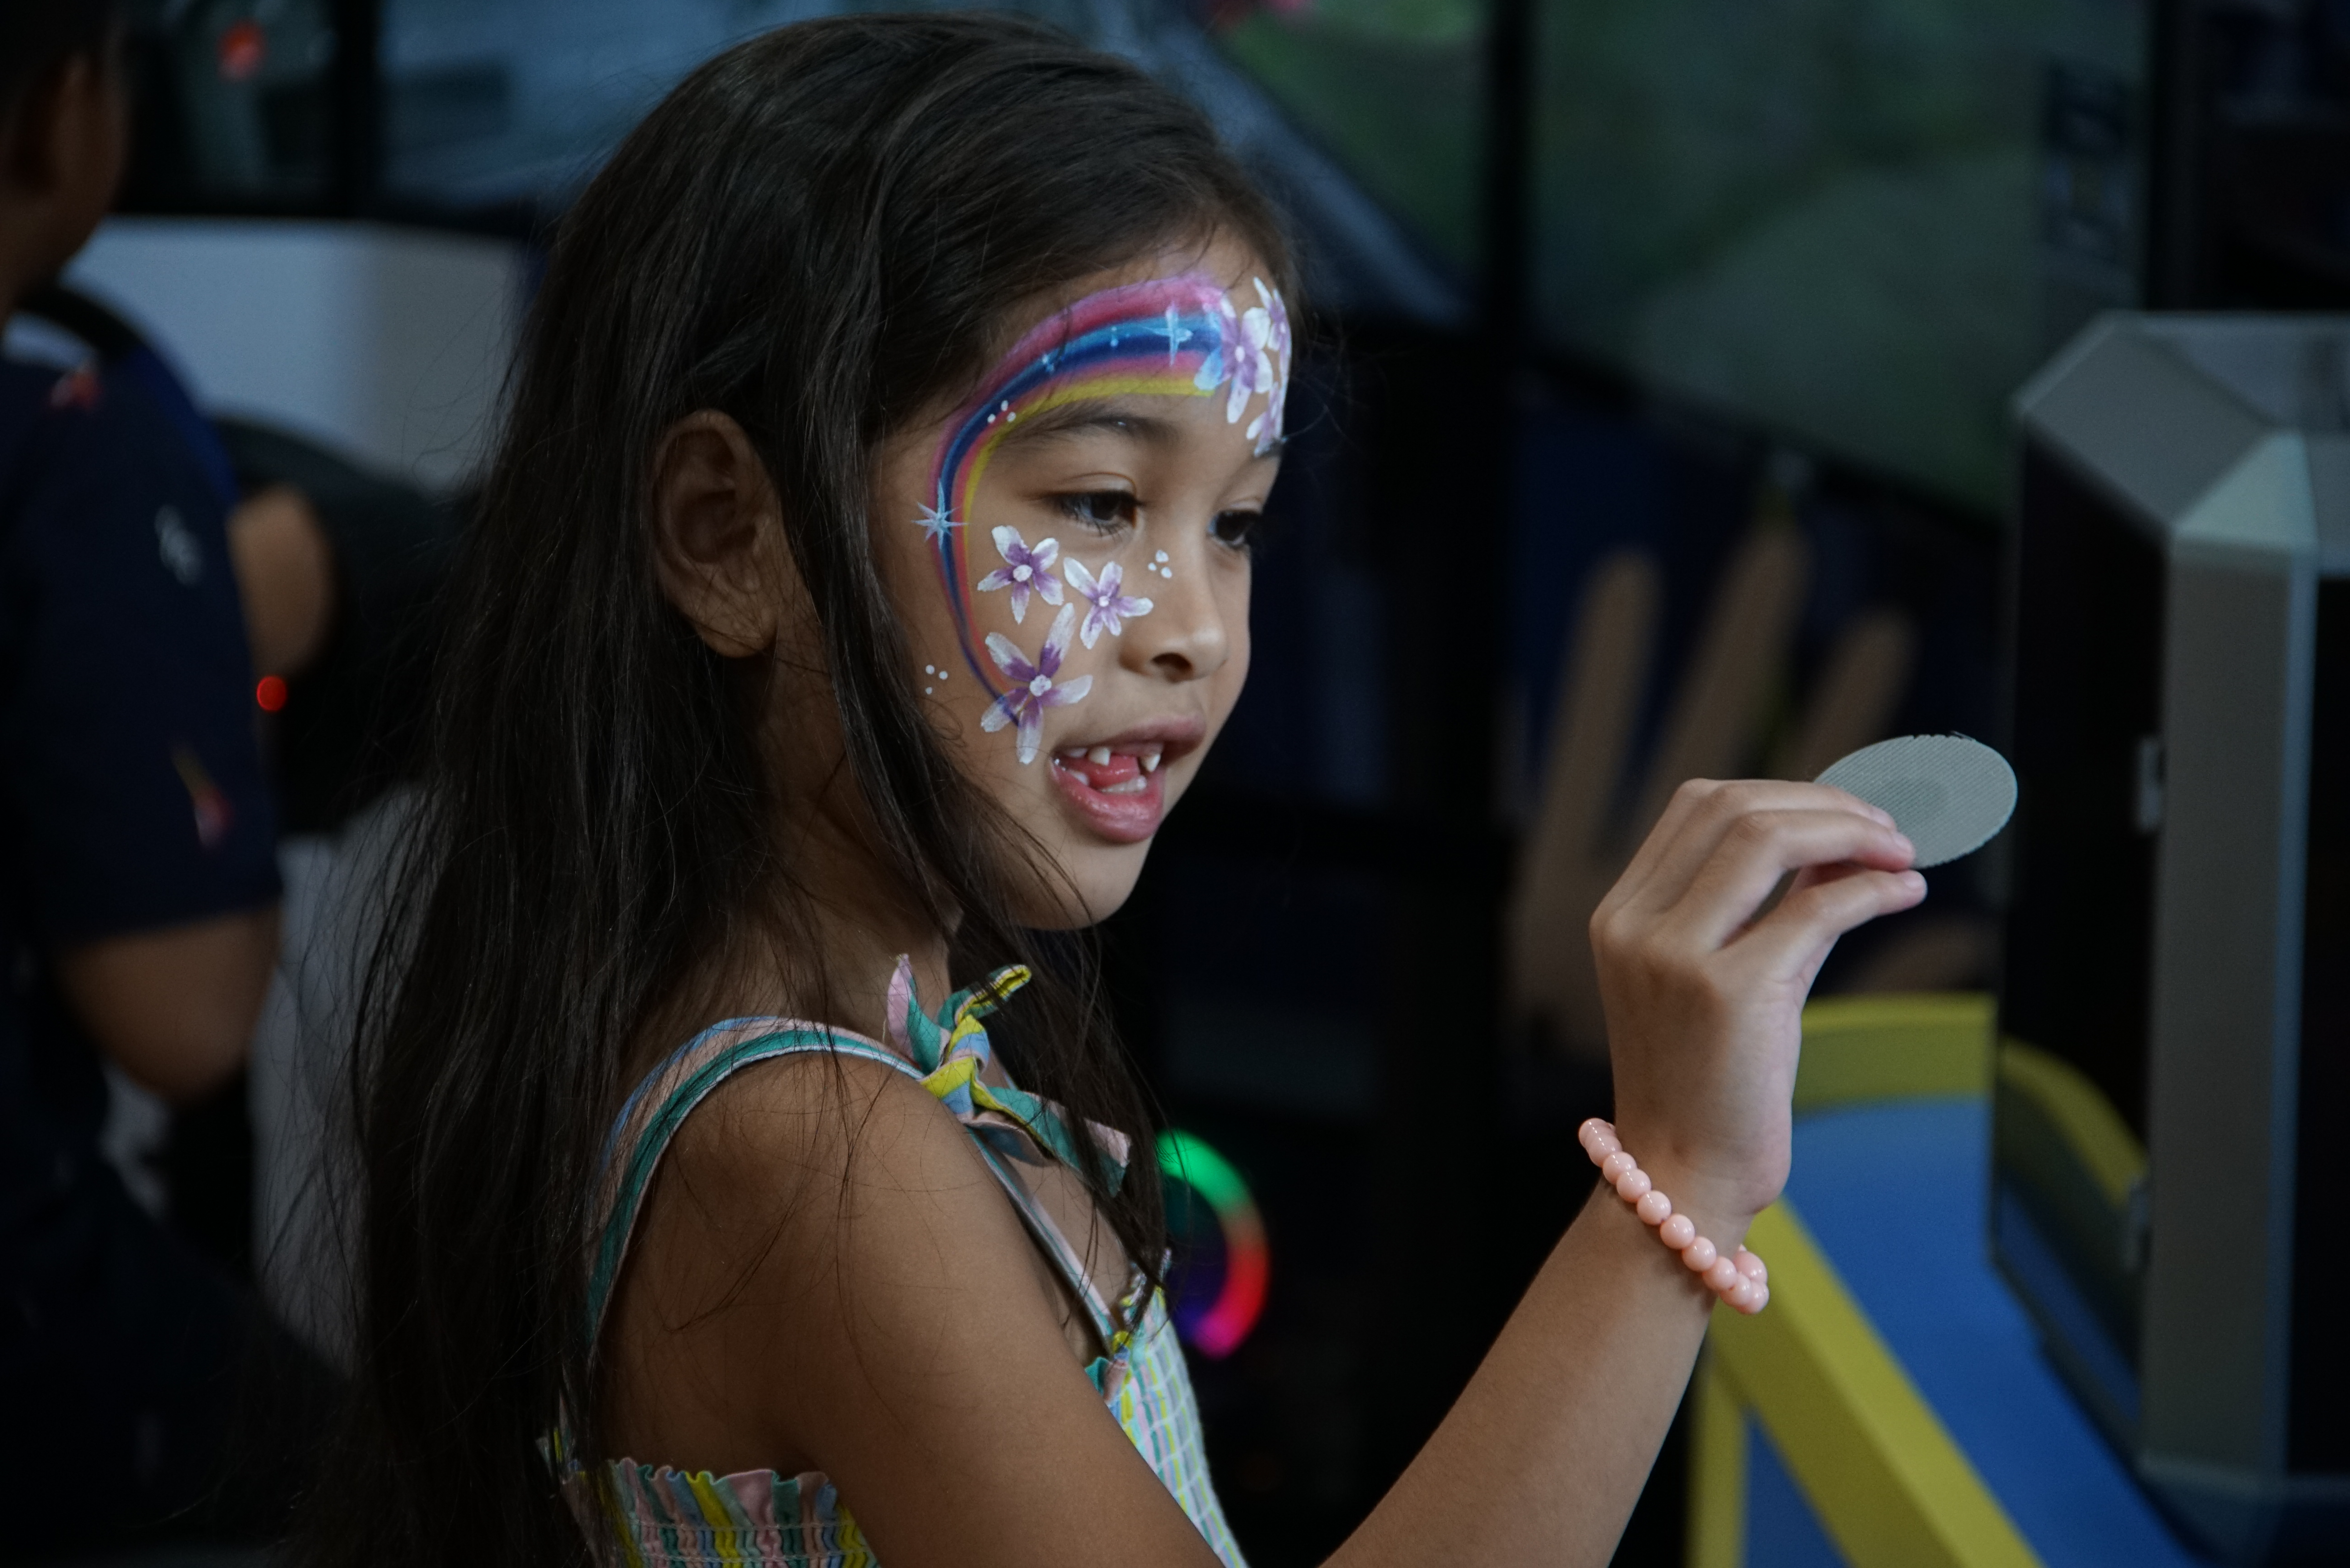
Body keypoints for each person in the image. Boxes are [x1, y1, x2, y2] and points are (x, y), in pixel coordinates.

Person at [311, 16, 1928, 1568]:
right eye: (1098, 503)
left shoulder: (885, 1047)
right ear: (729, 536)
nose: (1193, 630)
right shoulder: (815, 1153)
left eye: (1236, 525)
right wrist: (1678, 1174)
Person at [0, 1, 339, 1551]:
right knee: (380, 1487)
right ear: (61, 112)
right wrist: (201, 645)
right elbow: (184, 1020)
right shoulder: (72, 446)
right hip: (27, 1334)